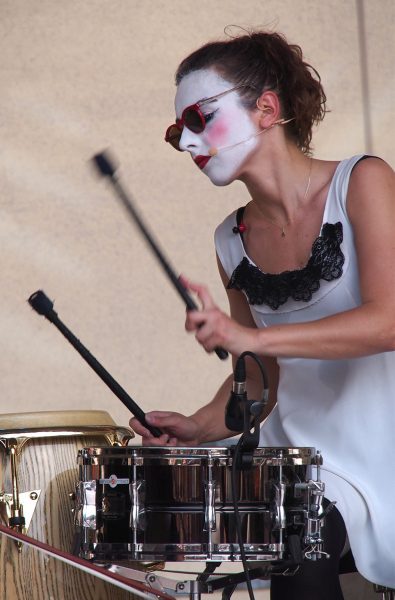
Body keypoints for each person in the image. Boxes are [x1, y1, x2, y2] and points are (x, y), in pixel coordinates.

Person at [130, 30, 395, 599]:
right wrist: (197, 427)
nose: (188, 144)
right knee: (294, 517)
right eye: (179, 133)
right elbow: (260, 381)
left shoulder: (362, 182)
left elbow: (388, 322)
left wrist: (248, 334)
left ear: (267, 108)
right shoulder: (230, 240)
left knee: (297, 520)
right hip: (305, 468)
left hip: (383, 445)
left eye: (199, 119)